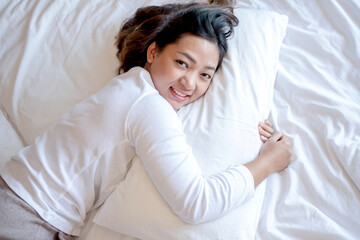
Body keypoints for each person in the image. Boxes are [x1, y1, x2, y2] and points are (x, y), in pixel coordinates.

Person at [0, 2, 292, 239]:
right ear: (153, 52)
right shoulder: (148, 105)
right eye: (182, 63)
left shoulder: (131, 87)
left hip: (23, 204)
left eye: (205, 74)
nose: (190, 83)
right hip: (25, 214)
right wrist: (267, 162)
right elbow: (197, 202)